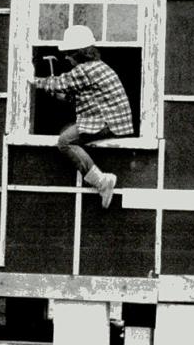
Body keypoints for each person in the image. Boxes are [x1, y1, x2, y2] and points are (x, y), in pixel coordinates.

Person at [28, 24, 133, 208]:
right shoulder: (97, 67)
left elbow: (60, 83)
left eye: (69, 53)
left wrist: (33, 80)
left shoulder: (84, 70)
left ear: (78, 53)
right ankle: (97, 176)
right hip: (113, 120)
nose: (66, 58)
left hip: (106, 121)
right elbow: (79, 94)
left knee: (65, 141)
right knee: (67, 130)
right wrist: (60, 93)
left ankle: (102, 182)